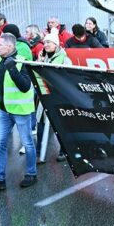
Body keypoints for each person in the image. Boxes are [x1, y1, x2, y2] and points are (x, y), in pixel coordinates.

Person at [0, 33, 38, 191]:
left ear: (10, 46)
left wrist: (13, 68)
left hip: (20, 110)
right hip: (3, 110)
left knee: (27, 143)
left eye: (0, 45)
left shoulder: (21, 61)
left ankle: (31, 173)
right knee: (0, 143)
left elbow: (25, 86)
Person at [36, 29, 73, 162]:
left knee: (61, 127)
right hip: (44, 98)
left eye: (49, 42)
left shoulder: (64, 59)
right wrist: (39, 61)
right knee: (40, 126)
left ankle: (64, 151)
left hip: (58, 99)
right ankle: (39, 152)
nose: (46, 45)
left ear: (56, 45)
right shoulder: (43, 58)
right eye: (45, 42)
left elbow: (68, 78)